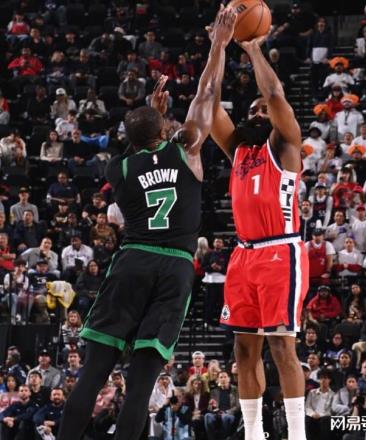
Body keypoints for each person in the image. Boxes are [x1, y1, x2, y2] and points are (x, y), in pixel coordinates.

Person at [57, 8, 236, 440]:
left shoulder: (118, 168)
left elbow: (136, 146)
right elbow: (207, 93)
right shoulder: (186, 149)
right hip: (174, 267)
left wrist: (149, 122)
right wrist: (219, 42)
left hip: (133, 260)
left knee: (93, 373)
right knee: (140, 384)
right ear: (164, 127)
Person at [210, 25, 310, 440]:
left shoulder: (285, 146)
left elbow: (274, 95)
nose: (256, 114)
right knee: (243, 349)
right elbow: (209, 104)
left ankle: (297, 434)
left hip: (280, 253)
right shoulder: (238, 150)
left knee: (282, 346)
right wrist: (217, 47)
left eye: (262, 112)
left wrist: (252, 50)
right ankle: (254, 433)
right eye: (251, 111)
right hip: (243, 256)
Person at [204, 371, 240, 440]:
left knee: (225, 417)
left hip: (229, 413)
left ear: (229, 379)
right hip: (217, 413)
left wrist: (226, 412)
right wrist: (212, 406)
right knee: (207, 416)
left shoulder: (236, 390)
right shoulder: (214, 391)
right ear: (218, 380)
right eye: (221, 377)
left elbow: (238, 406)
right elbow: (209, 408)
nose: (223, 379)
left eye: (225, 377)